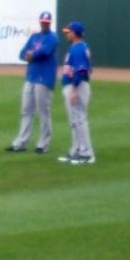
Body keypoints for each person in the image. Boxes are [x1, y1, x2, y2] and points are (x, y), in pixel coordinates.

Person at [6, 10, 57, 153]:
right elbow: (22, 53)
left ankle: (43, 144)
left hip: (44, 78)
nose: (44, 24)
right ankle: (21, 143)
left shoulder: (53, 37)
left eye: (47, 22)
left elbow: (44, 52)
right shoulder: (34, 36)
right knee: (26, 110)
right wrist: (27, 55)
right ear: (40, 22)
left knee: (43, 112)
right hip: (31, 76)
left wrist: (31, 55)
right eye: (43, 22)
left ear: (50, 23)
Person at [57, 20, 95, 165]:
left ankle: (86, 153)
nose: (67, 34)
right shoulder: (78, 47)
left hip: (77, 86)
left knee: (79, 120)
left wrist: (73, 90)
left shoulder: (78, 48)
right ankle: (76, 150)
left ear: (75, 33)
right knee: (75, 121)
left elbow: (81, 70)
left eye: (69, 32)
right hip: (76, 85)